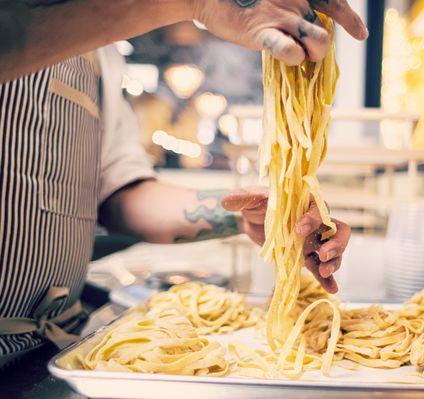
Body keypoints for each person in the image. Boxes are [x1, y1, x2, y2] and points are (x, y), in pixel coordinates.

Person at [0, 0, 367, 365]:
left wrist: (252, 215)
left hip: (58, 341)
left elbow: (121, 192)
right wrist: (199, 3)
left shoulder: (101, 57)